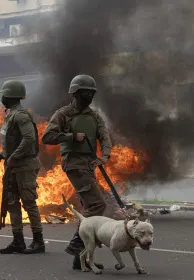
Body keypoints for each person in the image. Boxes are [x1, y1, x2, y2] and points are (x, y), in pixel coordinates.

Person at [41, 74, 112, 270]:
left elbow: (105, 137)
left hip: (89, 164)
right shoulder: (63, 114)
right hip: (73, 163)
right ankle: (76, 244)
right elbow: (48, 137)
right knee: (97, 204)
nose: (89, 95)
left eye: (92, 92)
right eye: (86, 92)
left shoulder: (95, 116)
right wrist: (71, 136)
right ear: (76, 93)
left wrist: (105, 156)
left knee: (88, 209)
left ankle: (81, 259)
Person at [0, 80, 45, 255]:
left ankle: (38, 241)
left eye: (3, 94)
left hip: (25, 166)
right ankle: (18, 241)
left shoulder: (21, 116)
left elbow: (28, 140)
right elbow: (11, 142)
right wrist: (0, 157)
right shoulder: (10, 115)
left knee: (29, 203)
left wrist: (13, 157)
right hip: (13, 166)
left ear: (10, 96)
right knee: (12, 202)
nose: (2, 98)